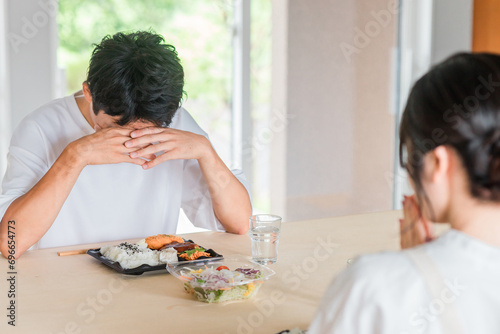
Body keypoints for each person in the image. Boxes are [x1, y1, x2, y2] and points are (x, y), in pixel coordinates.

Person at [0, 31, 252, 258]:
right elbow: (11, 243)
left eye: (148, 132)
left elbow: (241, 222)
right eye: (116, 130)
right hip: (62, 281)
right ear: (89, 93)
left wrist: (206, 153)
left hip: (146, 282)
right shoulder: (40, 128)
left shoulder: (177, 123)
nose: (134, 141)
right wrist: (74, 156)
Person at [309, 53, 500, 333]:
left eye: (410, 158)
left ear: (437, 163)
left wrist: (417, 268)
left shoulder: (375, 287)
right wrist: (422, 265)